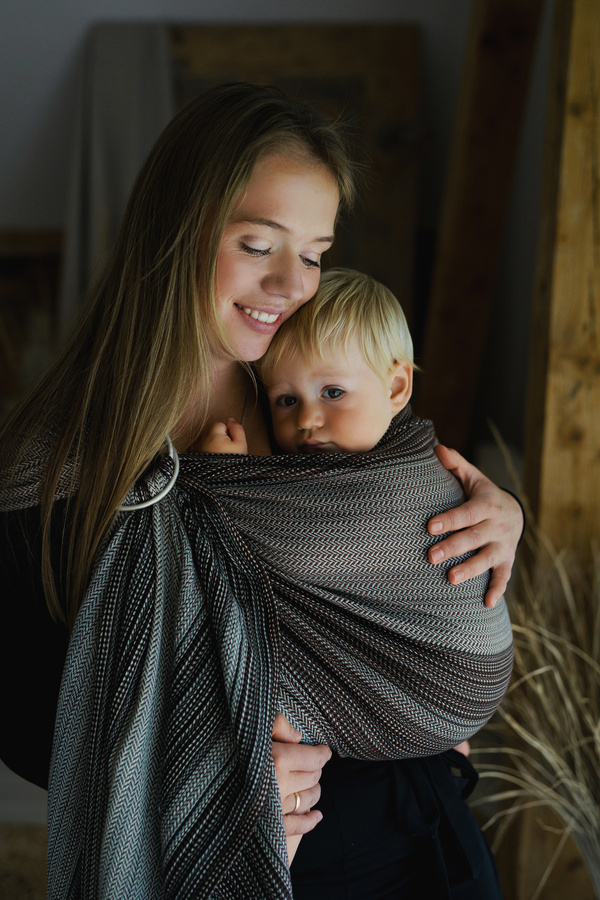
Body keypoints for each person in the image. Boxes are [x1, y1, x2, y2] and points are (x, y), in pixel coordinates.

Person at [0, 83, 522, 899]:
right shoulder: (57, 463)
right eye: (257, 244)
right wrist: (219, 771)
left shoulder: (304, 396)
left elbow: (403, 534)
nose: (291, 284)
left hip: (429, 838)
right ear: (177, 228)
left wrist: (495, 513)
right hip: (244, 862)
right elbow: (30, 722)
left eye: (313, 254)